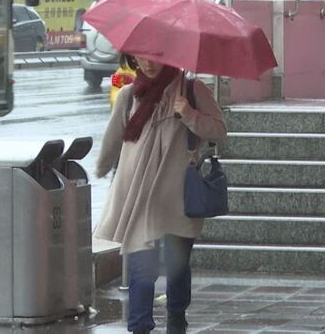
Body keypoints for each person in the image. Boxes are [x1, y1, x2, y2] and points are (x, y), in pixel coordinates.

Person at [95, 55, 227, 334]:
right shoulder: (130, 95)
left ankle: (177, 318)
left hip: (176, 197)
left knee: (177, 267)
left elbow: (219, 130)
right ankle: (140, 327)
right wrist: (101, 168)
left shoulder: (192, 90)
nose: (147, 62)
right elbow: (112, 140)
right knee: (141, 269)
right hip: (138, 196)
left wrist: (189, 113)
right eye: (140, 56)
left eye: (155, 55)